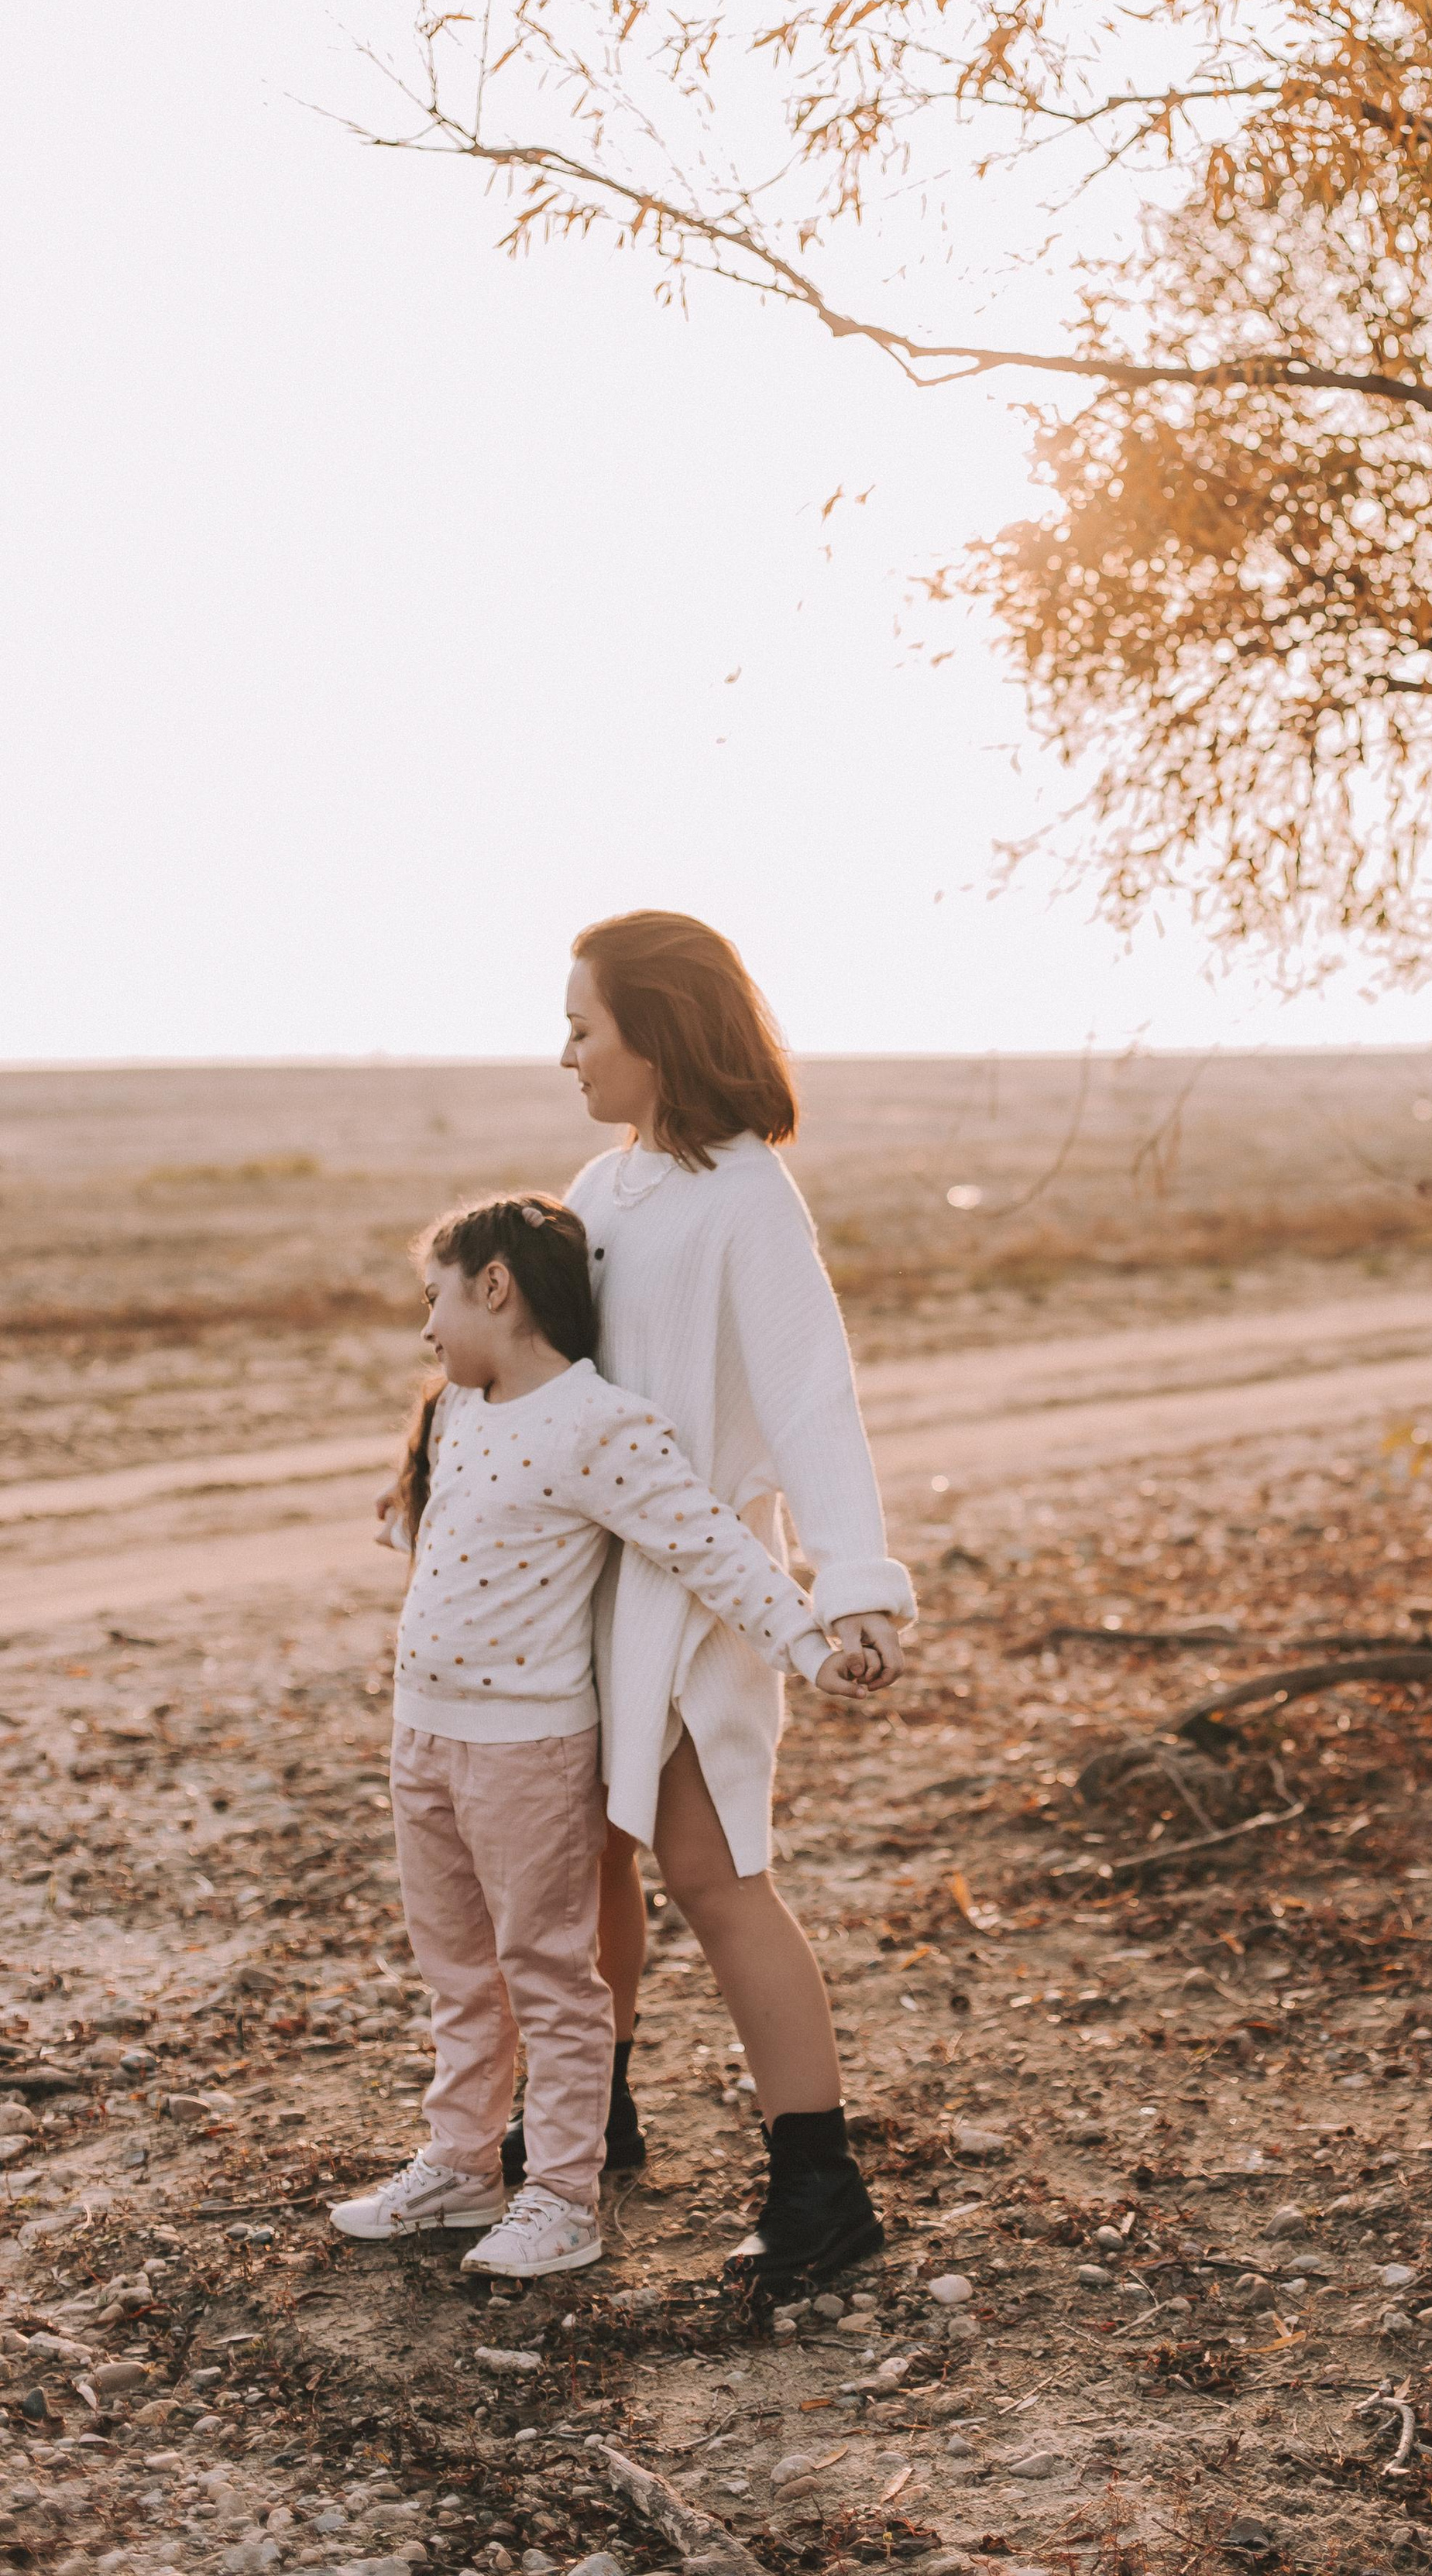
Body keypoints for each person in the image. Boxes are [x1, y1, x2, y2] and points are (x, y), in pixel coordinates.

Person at [334, 1192, 875, 2281]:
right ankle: (461, 2163)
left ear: (496, 1287)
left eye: (434, 1297)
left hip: (526, 1752)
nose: (425, 1328)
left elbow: (709, 1546)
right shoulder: (455, 1411)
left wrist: (812, 1643)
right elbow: (451, 1532)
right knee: (455, 1970)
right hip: (425, 1738)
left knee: (545, 1971)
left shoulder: (599, 1426)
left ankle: (564, 2195)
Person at [537, 907, 917, 2302]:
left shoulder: (749, 1193)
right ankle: (594, 2112)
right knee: (588, 1858)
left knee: (709, 1870)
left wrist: (853, 1581)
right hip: (581, 1587)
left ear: (662, 1031)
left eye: (585, 1027)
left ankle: (821, 2184)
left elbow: (814, 1397)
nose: (565, 1053)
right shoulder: (599, 1186)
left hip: (699, 1591)